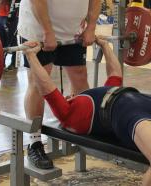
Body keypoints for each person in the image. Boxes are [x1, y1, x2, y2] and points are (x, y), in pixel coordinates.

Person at [22, 37, 151, 186]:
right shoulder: (67, 113)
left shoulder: (99, 93)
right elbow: (46, 84)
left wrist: (105, 47)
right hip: (131, 117)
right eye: (66, 96)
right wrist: (32, 57)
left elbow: (115, 72)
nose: (68, 95)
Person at [17, 0, 101, 169]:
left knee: (80, 75)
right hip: (38, 28)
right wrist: (48, 31)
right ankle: (34, 143)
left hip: (72, 30)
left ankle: (82, 127)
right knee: (38, 82)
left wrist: (91, 26)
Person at [0, 0, 17, 71]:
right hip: (0, 16)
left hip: (11, 17)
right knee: (0, 42)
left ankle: (14, 63)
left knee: (11, 40)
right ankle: (2, 63)